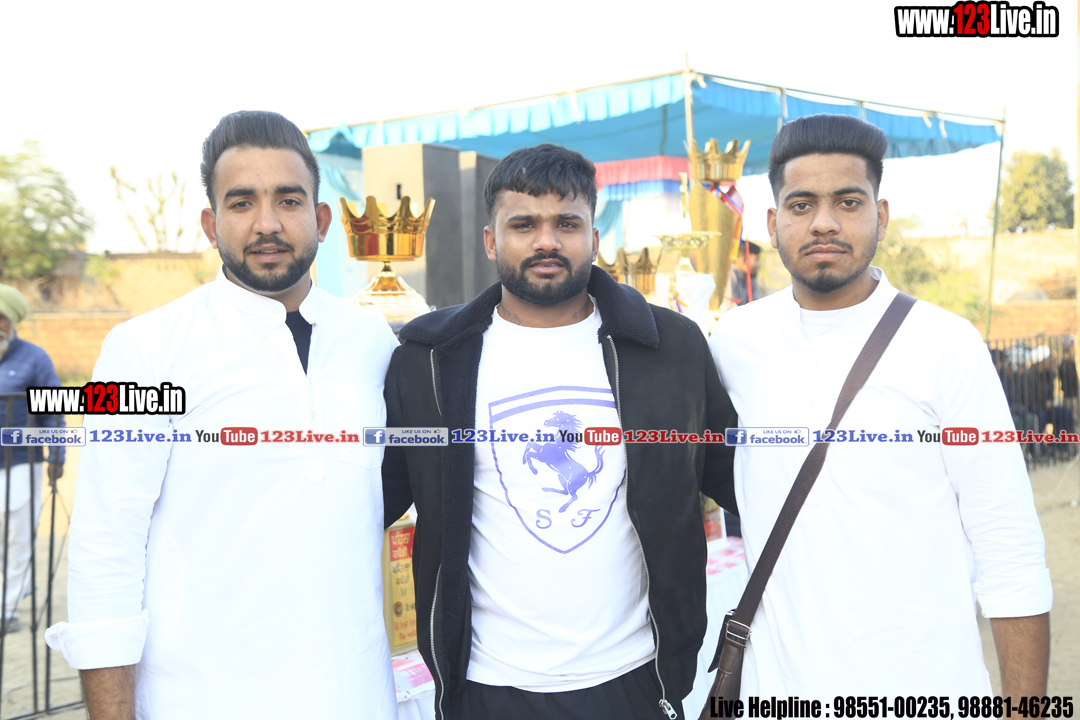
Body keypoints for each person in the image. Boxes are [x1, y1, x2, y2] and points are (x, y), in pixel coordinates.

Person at [45, 111, 400, 719]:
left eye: (288, 200)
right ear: (211, 225)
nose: (267, 223)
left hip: (355, 691)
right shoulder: (140, 350)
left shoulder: (372, 340)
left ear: (321, 220)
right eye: (241, 203)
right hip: (200, 697)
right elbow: (106, 546)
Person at [381, 144, 738, 720]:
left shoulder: (669, 348)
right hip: (487, 685)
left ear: (593, 237)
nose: (546, 241)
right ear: (491, 240)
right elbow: (374, 497)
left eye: (566, 224)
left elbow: (739, 478)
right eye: (523, 225)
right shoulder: (428, 361)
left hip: (632, 678)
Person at [708, 114, 1051, 698]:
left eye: (848, 202)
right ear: (772, 222)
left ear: (881, 216)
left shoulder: (945, 345)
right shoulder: (735, 343)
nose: (824, 222)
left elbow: (1008, 546)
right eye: (800, 205)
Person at [0, 284, 65, 633]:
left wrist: (57, 455)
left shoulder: (34, 358)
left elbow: (53, 410)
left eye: (1, 318)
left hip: (21, 463)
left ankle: (7, 608)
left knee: (18, 537)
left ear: (12, 321)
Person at [728, 240, 762, 306]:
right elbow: (730, 307)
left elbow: (759, 304)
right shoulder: (729, 277)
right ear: (742, 258)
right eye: (756, 260)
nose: (759, 264)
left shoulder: (750, 280)